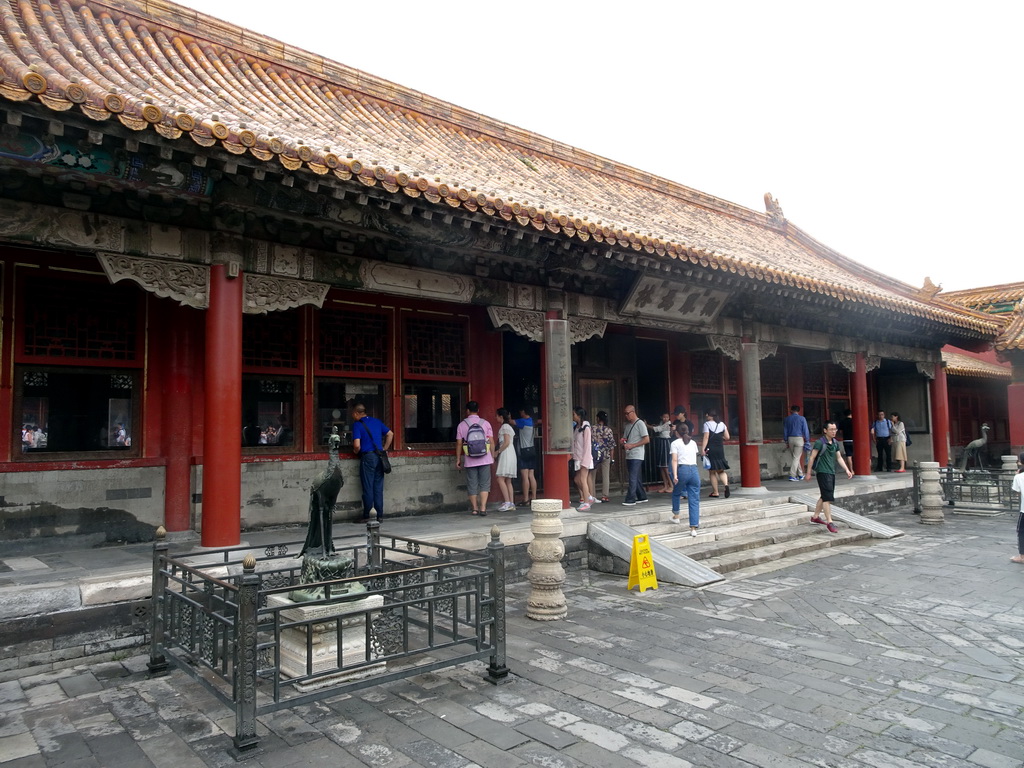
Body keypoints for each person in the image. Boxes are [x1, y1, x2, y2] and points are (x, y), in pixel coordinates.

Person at [805, 421, 854, 533]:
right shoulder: (819, 443)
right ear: (825, 430)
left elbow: (839, 457)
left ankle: (815, 517)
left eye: (835, 429)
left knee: (825, 495)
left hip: (831, 472)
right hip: (822, 472)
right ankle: (829, 522)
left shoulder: (835, 443)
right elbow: (812, 458)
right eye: (831, 429)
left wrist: (847, 469)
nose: (833, 431)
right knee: (827, 497)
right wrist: (808, 473)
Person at [351, 403, 393, 523]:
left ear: (356, 413)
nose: (353, 416)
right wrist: (384, 448)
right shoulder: (377, 421)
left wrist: (355, 451)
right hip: (379, 457)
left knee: (368, 486)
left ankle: (367, 515)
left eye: (353, 414)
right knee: (378, 487)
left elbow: (357, 445)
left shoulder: (357, 425)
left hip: (368, 457)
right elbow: (390, 434)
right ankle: (379, 515)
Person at [456, 401, 494, 516]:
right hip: (485, 458)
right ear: (478, 410)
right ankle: (483, 508)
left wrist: (458, 458)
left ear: (467, 411)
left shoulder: (462, 425)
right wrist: (492, 456)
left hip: (470, 459)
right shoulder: (486, 423)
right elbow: (491, 441)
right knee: (484, 484)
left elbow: (459, 443)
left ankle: (474, 509)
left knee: (472, 484)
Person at [670, 422, 701, 536]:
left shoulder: (675, 443)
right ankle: (693, 528)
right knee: (694, 499)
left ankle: (676, 515)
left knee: (676, 492)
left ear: (677, 432)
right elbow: (695, 457)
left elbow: (674, 460)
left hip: (683, 470)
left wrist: (675, 475)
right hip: (694, 470)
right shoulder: (693, 443)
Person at [620, 405, 649, 506]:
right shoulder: (628, 426)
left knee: (632, 477)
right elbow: (625, 438)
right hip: (629, 453)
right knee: (635, 477)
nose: (626, 416)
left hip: (637, 454)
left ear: (633, 412)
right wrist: (623, 441)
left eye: (627, 413)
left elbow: (646, 439)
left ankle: (630, 498)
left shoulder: (640, 423)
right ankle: (641, 496)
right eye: (625, 414)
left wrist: (633, 445)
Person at [572, 406, 597, 511]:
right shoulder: (577, 428)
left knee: (583, 479)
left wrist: (585, 460)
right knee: (577, 479)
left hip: (584, 457)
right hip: (578, 456)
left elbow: (587, 446)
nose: (572, 416)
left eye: (574, 414)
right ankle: (589, 497)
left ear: (579, 415)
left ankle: (586, 502)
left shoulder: (586, 428)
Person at [701, 410, 730, 498]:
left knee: (712, 471)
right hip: (720, 449)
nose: (706, 417)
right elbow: (727, 437)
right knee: (721, 470)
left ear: (710, 416)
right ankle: (726, 485)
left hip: (711, 449)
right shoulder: (722, 424)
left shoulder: (707, 424)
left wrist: (702, 449)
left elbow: (706, 437)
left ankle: (715, 492)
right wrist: (720, 436)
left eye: (707, 415)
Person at [494, 408, 517, 511]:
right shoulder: (509, 426)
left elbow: (506, 442)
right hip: (510, 452)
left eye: (497, 416)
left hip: (506, 452)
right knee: (508, 480)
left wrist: (497, 451)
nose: (496, 418)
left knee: (500, 478)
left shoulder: (504, 427)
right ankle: (511, 503)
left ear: (501, 417)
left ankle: (507, 502)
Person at [515, 407, 538, 507]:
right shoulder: (532, 421)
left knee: (525, 476)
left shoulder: (523, 421)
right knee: (531, 475)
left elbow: (511, 421)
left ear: (524, 411)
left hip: (524, 451)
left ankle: (525, 499)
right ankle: (534, 497)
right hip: (532, 449)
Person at [783, 405, 810, 481]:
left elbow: (785, 430)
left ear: (791, 410)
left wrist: (786, 440)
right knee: (796, 457)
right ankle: (792, 475)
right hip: (799, 438)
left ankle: (801, 474)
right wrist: (807, 440)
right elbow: (805, 430)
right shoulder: (802, 418)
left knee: (795, 457)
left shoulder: (787, 419)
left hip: (790, 438)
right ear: (799, 411)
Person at [593, 411, 615, 503]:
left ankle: (592, 495)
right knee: (606, 476)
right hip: (605, 455)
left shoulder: (592, 429)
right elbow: (612, 446)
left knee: (591, 476)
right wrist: (612, 458)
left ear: (598, 418)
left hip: (594, 454)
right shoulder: (609, 430)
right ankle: (604, 496)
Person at [650, 412, 674, 493]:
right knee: (661, 466)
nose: (665, 419)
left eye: (667, 417)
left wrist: (646, 425)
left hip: (665, 442)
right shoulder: (661, 423)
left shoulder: (668, 424)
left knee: (665, 465)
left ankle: (671, 485)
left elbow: (657, 429)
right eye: (664, 417)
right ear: (661, 417)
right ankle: (665, 485)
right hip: (661, 442)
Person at [1011, 454, 1024, 564]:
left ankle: (1022, 556)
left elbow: (1017, 492)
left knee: (1021, 532)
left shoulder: (1019, 477)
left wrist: (1017, 475)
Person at [838, 408, 855, 473]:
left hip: (846, 440)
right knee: (855, 455)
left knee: (849, 455)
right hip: (854, 440)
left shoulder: (842, 422)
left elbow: (840, 431)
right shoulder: (854, 421)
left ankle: (851, 470)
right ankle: (856, 468)